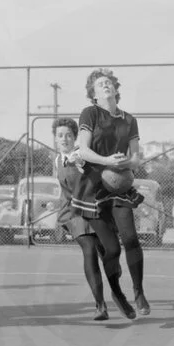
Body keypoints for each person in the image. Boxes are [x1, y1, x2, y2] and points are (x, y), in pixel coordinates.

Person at [72, 68, 150, 319]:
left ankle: (138, 292)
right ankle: (117, 291)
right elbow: (82, 149)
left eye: (108, 82)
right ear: (93, 94)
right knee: (112, 250)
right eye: (99, 84)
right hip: (92, 188)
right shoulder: (90, 113)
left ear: (115, 89)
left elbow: (136, 157)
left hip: (119, 186)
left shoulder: (129, 119)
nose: (105, 85)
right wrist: (106, 160)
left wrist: (125, 164)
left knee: (130, 239)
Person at [53, 117, 111, 321]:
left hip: (93, 209)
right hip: (73, 213)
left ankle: (115, 288)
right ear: (55, 139)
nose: (64, 139)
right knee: (89, 250)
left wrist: (82, 166)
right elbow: (64, 188)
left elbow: (94, 175)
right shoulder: (57, 160)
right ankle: (100, 306)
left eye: (68, 135)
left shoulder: (81, 155)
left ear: (75, 137)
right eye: (60, 135)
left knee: (107, 255)